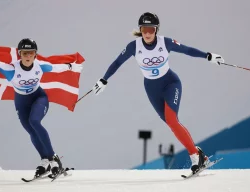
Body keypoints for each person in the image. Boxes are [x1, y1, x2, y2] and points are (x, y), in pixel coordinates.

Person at [92, 12, 225, 174]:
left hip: (170, 83)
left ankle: (195, 158)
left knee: (172, 119)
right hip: (151, 88)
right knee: (172, 123)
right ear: (140, 30)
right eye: (144, 30)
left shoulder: (165, 42)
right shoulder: (134, 46)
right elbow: (117, 62)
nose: (147, 33)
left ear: (156, 30)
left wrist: (208, 56)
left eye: (151, 30)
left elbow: (187, 50)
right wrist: (104, 79)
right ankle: (199, 154)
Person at [0, 37, 82, 178]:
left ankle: (53, 159)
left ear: (35, 54)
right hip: (21, 101)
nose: (28, 56)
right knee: (31, 130)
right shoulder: (10, 68)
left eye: (31, 53)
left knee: (34, 121)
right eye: (25, 53)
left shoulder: (40, 65)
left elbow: (57, 67)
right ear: (19, 54)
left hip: (39, 97)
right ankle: (45, 161)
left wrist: (72, 66)